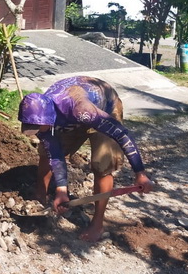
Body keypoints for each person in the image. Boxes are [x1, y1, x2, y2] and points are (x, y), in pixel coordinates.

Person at [18, 76, 154, 242]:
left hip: (104, 108)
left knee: (102, 165)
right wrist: (61, 189)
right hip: (71, 118)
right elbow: (54, 153)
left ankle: (97, 224)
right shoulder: (39, 113)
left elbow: (121, 134)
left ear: (47, 118)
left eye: (38, 128)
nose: (37, 131)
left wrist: (139, 172)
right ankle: (40, 198)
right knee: (45, 153)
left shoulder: (81, 110)